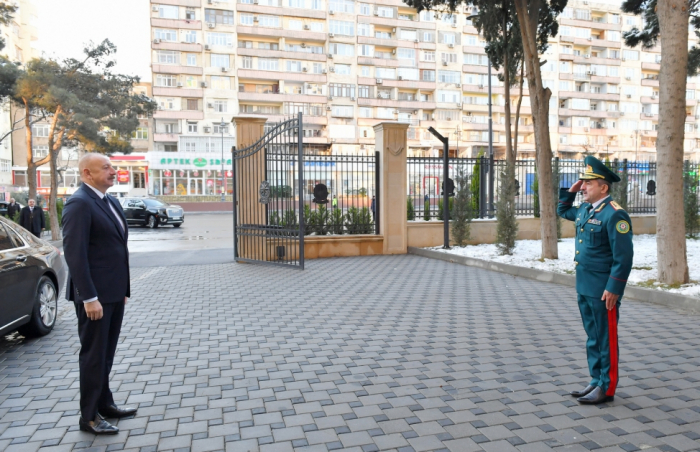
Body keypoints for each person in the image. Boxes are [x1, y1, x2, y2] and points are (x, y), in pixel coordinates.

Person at [62, 153, 135, 435]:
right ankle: (89, 417)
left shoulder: (109, 200)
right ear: (87, 173)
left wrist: (122, 288)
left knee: (106, 354)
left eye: (112, 166)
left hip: (113, 292)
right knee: (93, 356)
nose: (113, 171)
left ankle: (105, 404)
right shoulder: (79, 203)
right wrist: (89, 296)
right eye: (106, 167)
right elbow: (75, 254)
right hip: (95, 297)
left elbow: (115, 248)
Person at [557, 156, 634, 405]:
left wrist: (614, 288)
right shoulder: (585, 210)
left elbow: (623, 257)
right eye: (583, 183)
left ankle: (607, 387)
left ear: (604, 187)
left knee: (605, 337)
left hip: (603, 290)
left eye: (588, 183)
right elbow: (562, 210)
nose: (583, 187)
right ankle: (596, 379)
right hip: (585, 285)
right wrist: (569, 191)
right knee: (592, 336)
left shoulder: (615, 215)